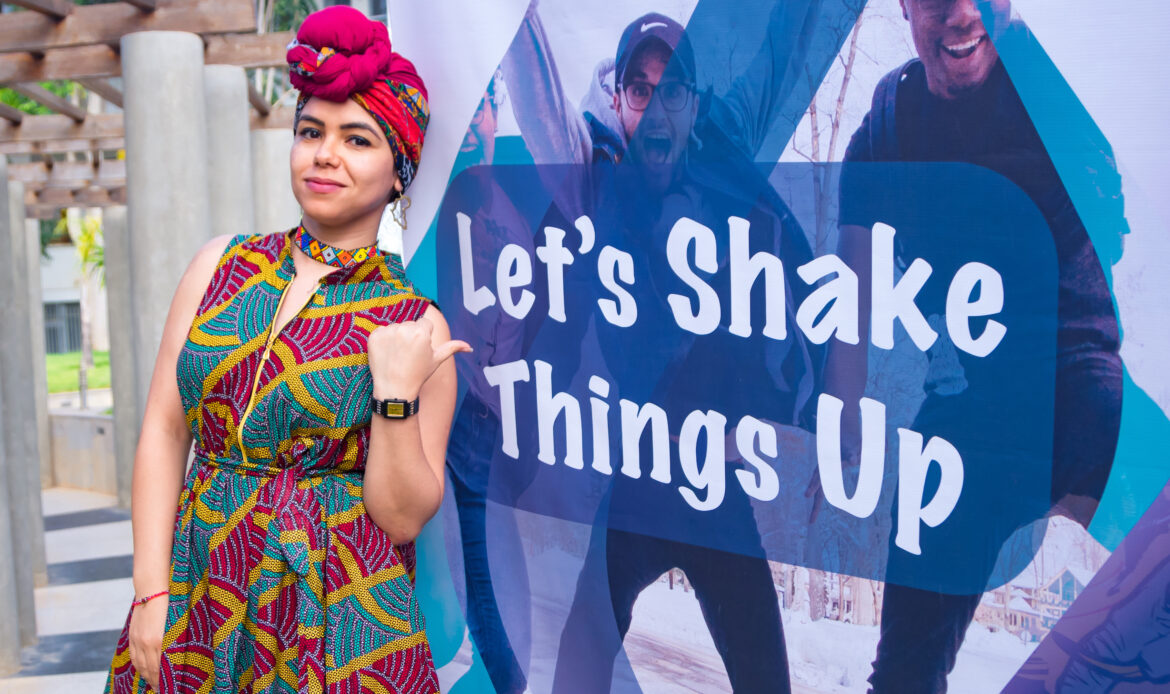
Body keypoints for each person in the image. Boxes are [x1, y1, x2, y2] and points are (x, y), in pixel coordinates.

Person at [102, 7, 467, 692]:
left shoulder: (416, 322)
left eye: (357, 139)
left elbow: (401, 517)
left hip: (337, 616)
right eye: (310, 131)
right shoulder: (221, 265)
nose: (325, 154)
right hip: (200, 587)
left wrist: (393, 394)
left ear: (399, 171)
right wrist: (151, 593)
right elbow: (162, 429)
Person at [503, 7, 820, 692]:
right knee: (575, 670)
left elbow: (783, 54)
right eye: (639, 88)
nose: (655, 105)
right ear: (618, 100)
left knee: (768, 680)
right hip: (636, 487)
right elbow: (534, 93)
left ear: (693, 104)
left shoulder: (725, 177)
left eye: (672, 88)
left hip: (717, 490)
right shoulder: (594, 180)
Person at [833, 1, 1126, 691]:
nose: (961, 15)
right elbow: (853, 289)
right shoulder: (888, 128)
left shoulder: (1047, 88)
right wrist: (843, 412)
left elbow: (1118, 215)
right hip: (965, 409)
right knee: (903, 672)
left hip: (1072, 378)